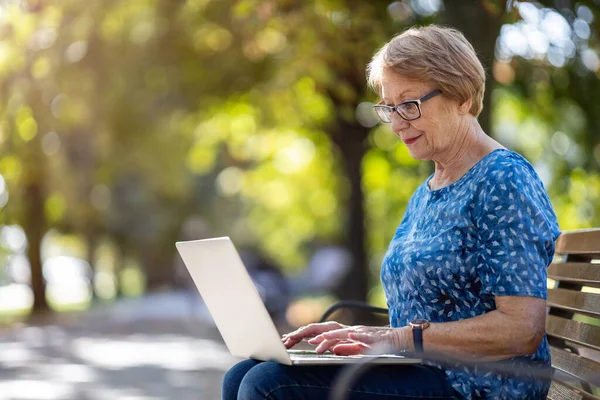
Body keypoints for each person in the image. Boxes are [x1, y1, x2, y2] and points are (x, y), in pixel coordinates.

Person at [222, 25, 560, 400]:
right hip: (421, 372)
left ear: (462, 97)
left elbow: (522, 329)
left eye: (410, 105)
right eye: (389, 107)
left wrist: (397, 337)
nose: (397, 123)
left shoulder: (502, 179)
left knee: (268, 384)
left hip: (479, 385)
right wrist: (351, 336)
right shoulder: (428, 192)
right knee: (242, 373)